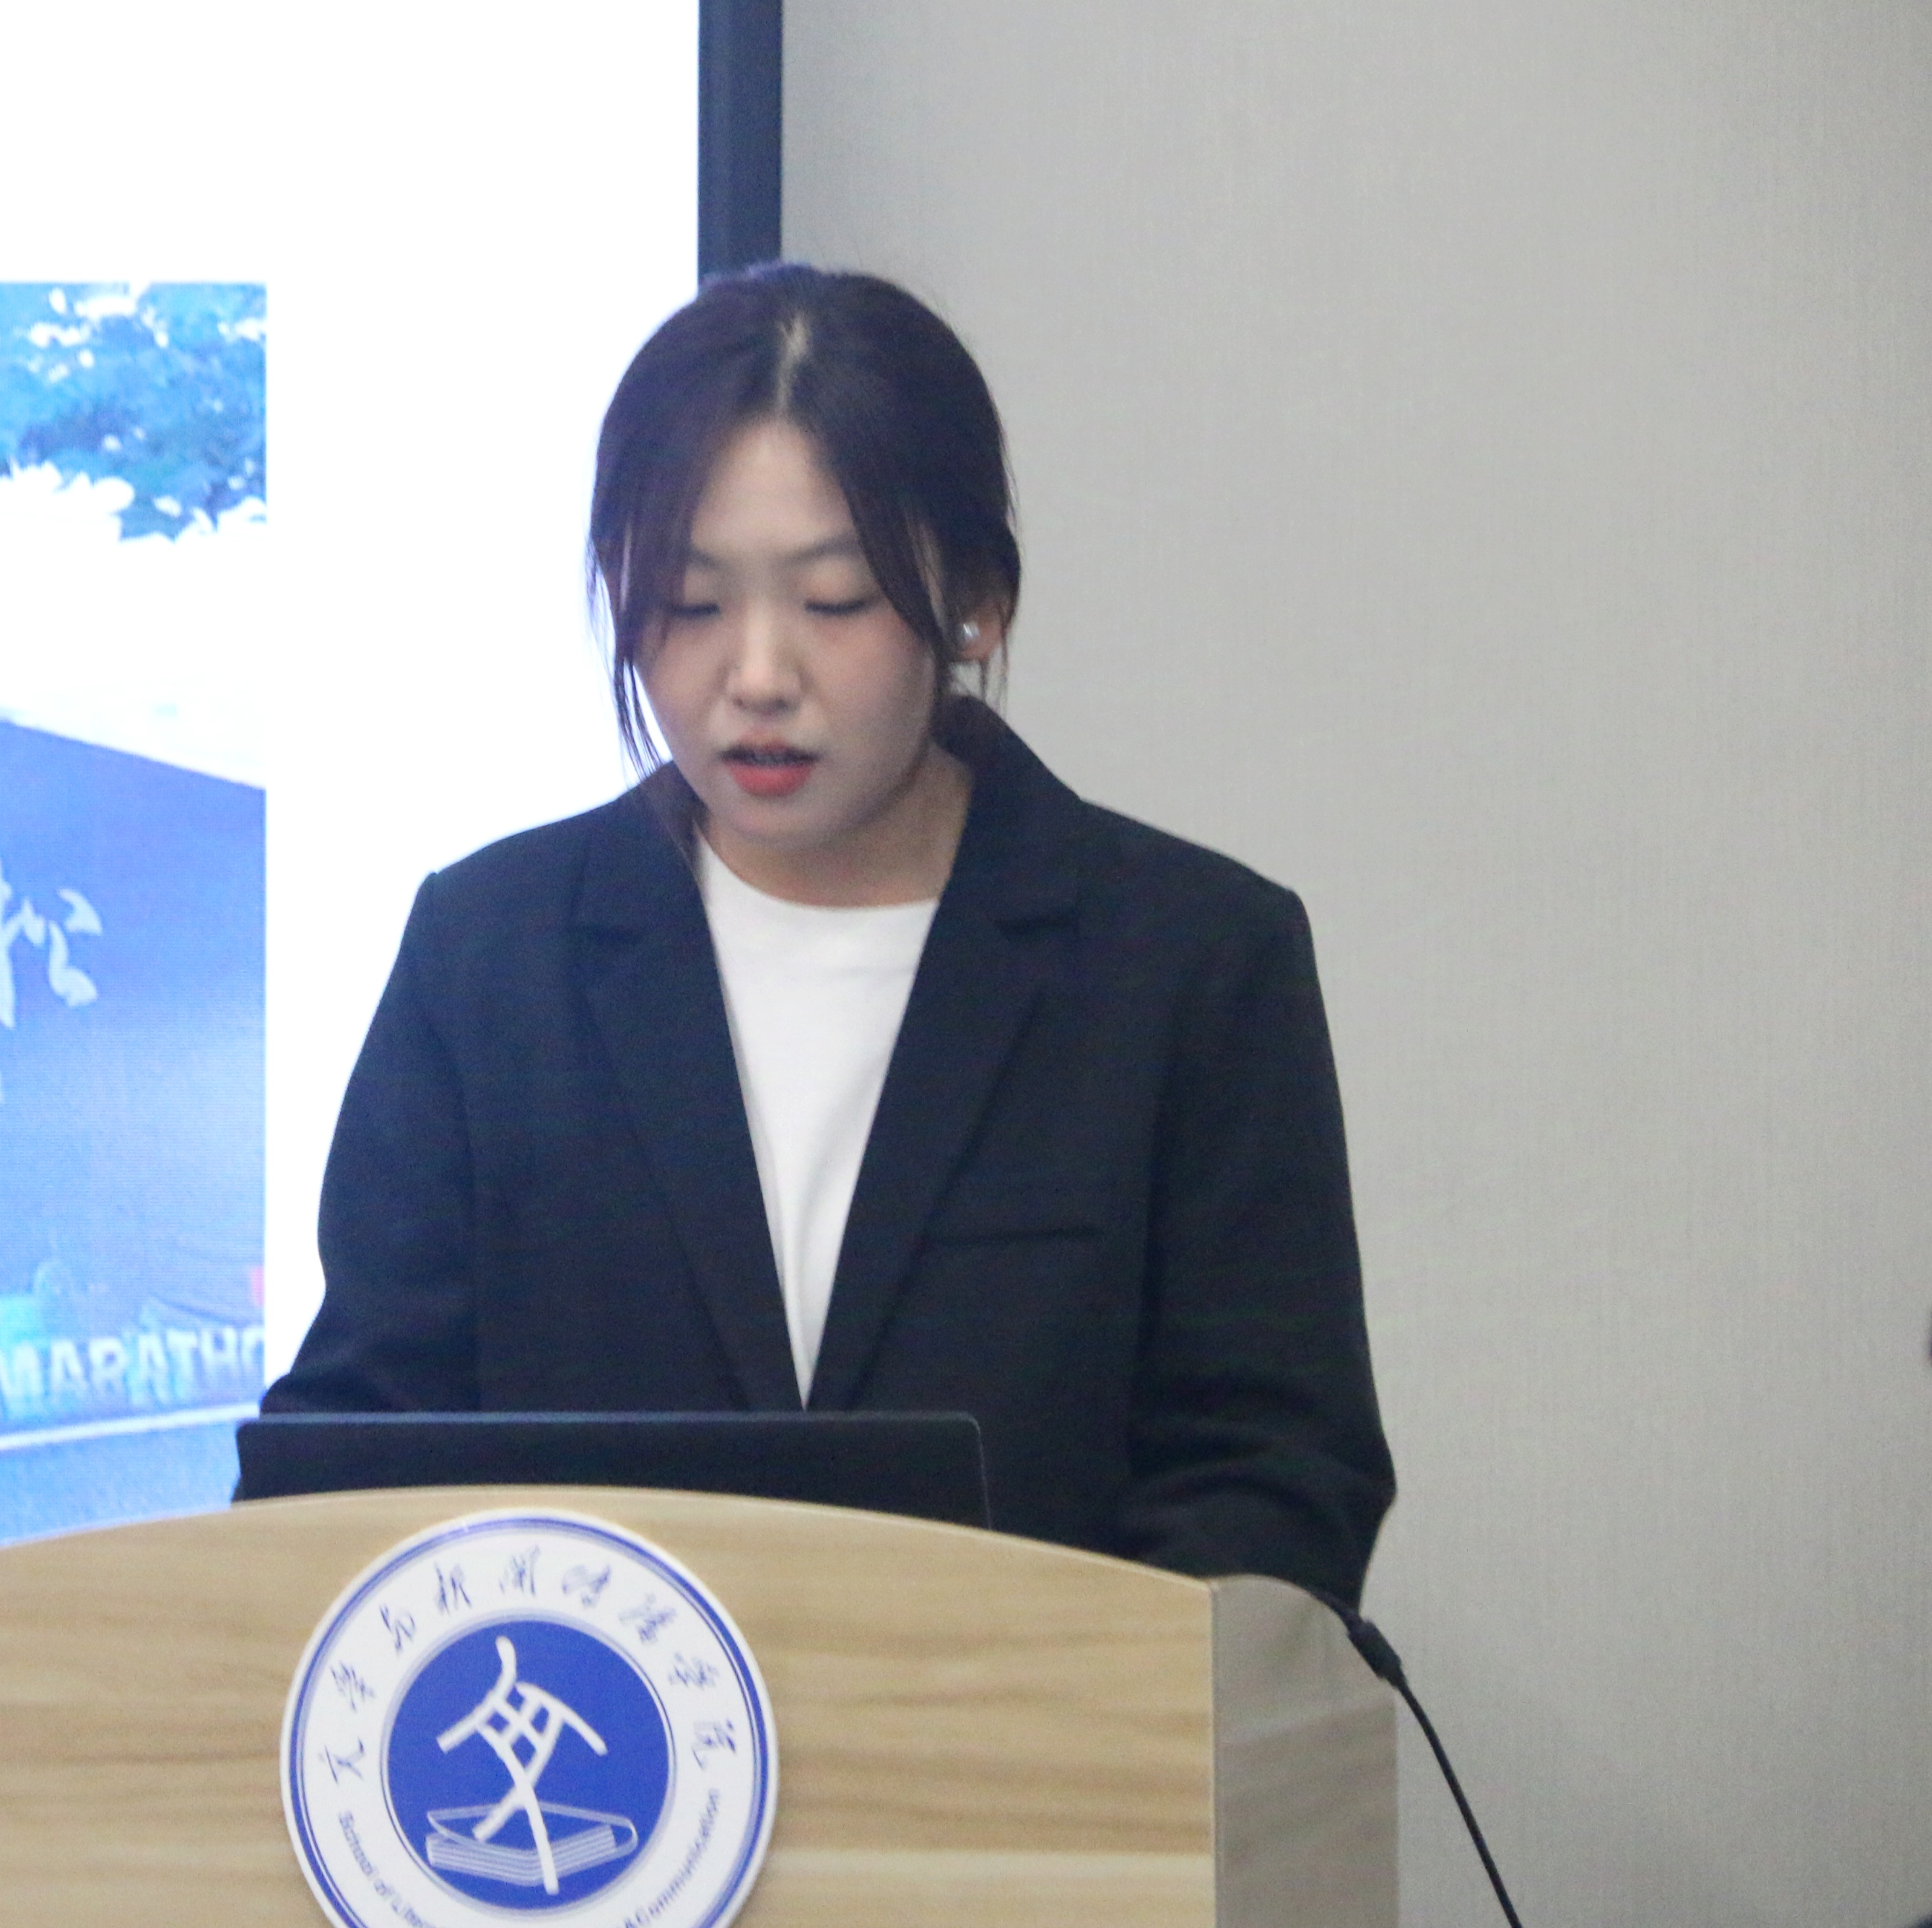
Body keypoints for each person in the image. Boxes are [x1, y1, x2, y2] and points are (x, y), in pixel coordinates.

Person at [262, 264, 1395, 1608]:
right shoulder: (492, 954)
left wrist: (1051, 1697)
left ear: (975, 598)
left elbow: (1274, 1476)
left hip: (1029, 1735)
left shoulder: (1188, 962)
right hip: (594, 1739)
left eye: (835, 600)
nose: (756, 676)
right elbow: (352, 1450)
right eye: (690, 604)